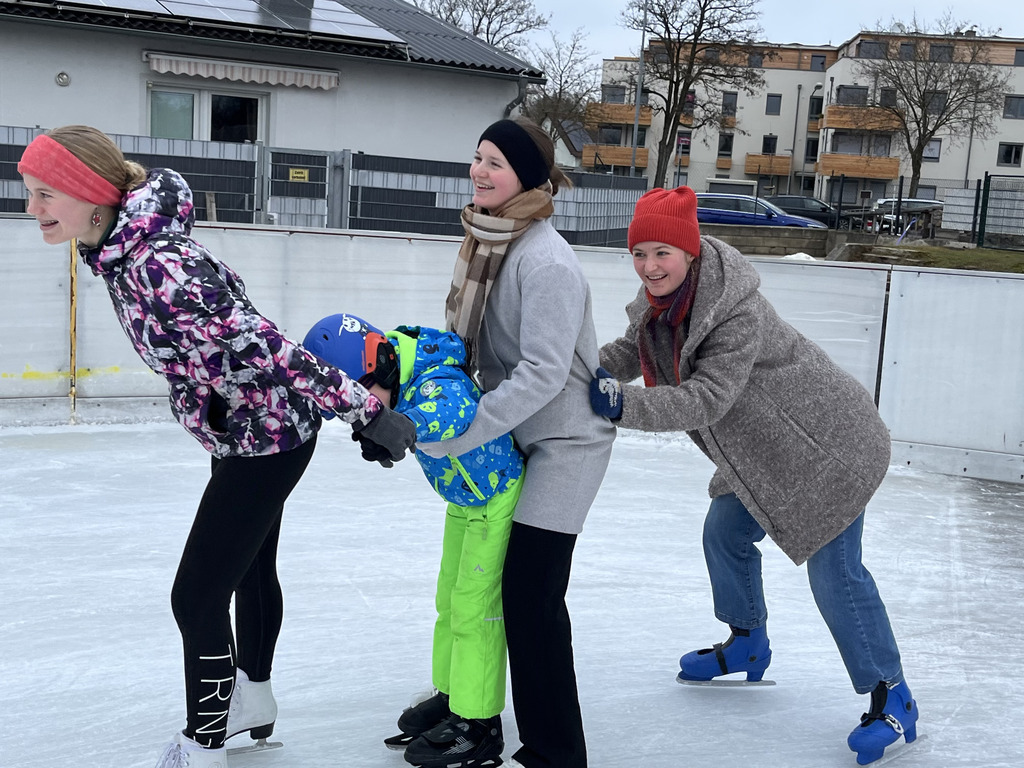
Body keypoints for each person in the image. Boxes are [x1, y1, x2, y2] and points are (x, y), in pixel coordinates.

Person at [17, 126, 417, 768]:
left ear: (91, 195)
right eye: (28, 193)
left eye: (44, 195)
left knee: (196, 595)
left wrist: (367, 412)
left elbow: (268, 343)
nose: (30, 208)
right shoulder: (121, 251)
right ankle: (251, 698)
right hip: (248, 429)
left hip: (268, 438)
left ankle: (202, 745)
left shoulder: (159, 265)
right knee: (249, 571)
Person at [589, 186, 918, 766]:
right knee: (725, 531)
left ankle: (892, 694)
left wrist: (621, 408)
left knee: (835, 574)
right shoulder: (660, 304)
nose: (649, 266)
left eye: (662, 252)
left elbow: (705, 399)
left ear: (689, 252)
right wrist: (581, 370)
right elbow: (631, 348)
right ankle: (748, 642)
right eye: (639, 252)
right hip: (767, 455)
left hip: (830, 447)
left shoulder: (733, 310)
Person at [415, 117, 616, 768]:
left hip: (566, 440)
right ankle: (466, 705)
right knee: (477, 580)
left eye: (495, 163)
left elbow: (543, 372)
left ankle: (556, 751)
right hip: (517, 436)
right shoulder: (489, 242)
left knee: (530, 593)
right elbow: (470, 352)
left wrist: (464, 432)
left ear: (527, 177)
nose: (479, 171)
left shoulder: (546, 258)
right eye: (476, 157)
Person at [303, 313, 524, 768]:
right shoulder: (400, 375)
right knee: (448, 601)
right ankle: (453, 696)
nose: (364, 414)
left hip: (495, 494)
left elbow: (453, 409)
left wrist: (399, 424)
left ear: (378, 367)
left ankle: (479, 723)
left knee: (475, 609)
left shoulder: (433, 374)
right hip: (465, 500)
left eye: (364, 402)